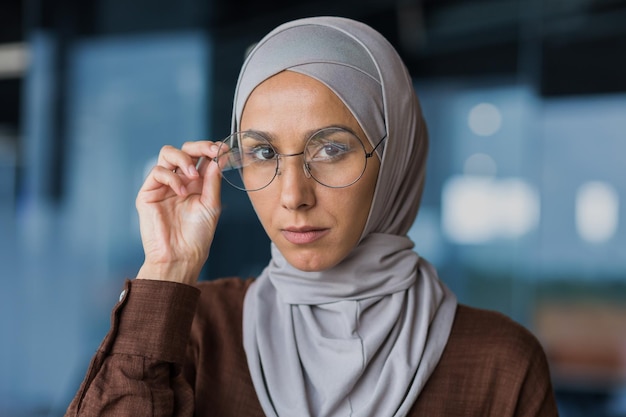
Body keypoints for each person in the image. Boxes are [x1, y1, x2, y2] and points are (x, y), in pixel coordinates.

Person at [65, 16, 558, 417]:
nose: (293, 195)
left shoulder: (499, 365)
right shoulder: (196, 329)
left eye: (331, 149)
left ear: (396, 158)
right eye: (262, 153)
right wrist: (167, 270)